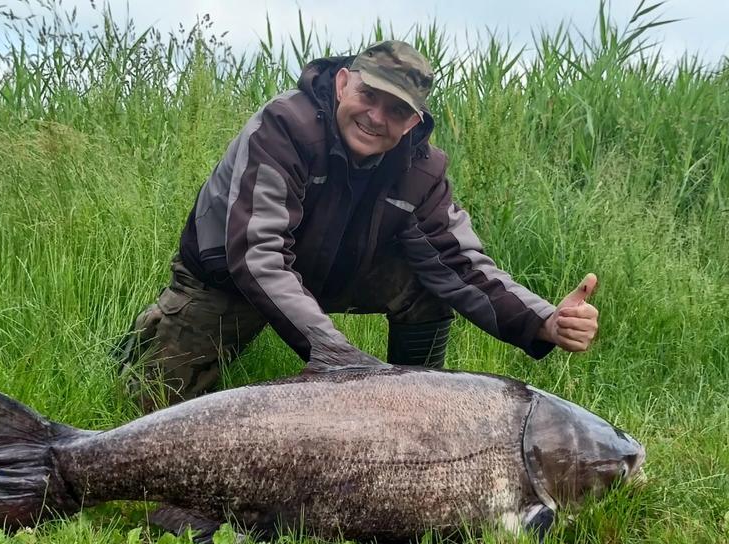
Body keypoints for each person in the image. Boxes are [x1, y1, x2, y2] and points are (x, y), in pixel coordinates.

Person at [118, 40, 599, 412]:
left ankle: (411, 408)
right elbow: (257, 256)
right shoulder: (284, 128)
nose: (376, 117)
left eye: (397, 111)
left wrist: (545, 320)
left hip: (333, 272)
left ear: (413, 122)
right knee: (149, 402)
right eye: (369, 96)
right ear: (344, 82)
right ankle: (146, 337)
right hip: (230, 279)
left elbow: (461, 264)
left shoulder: (421, 169)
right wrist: (339, 359)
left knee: (428, 283)